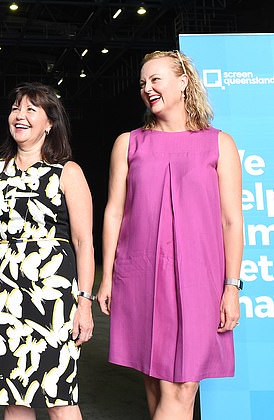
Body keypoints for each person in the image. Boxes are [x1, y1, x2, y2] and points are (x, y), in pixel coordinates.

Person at [97, 50, 243, 420]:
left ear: (183, 82)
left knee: (181, 388)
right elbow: (114, 212)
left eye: (156, 79)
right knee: (155, 383)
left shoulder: (219, 144)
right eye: (143, 83)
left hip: (200, 280)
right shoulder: (127, 144)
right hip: (141, 275)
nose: (147, 88)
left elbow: (231, 221)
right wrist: (107, 276)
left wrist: (231, 286)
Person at [0, 82, 95, 419]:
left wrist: (84, 303)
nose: (20, 116)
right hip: (6, 293)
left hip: (55, 294)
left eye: (31, 109)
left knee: (61, 396)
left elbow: (85, 242)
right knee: (15, 396)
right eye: (16, 108)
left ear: (50, 122)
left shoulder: (68, 173)